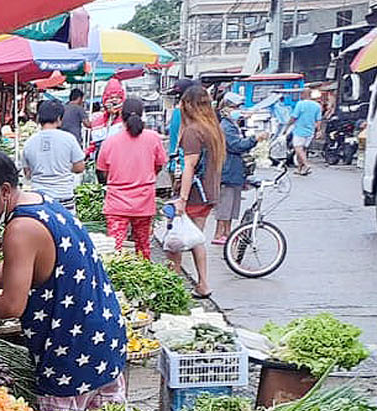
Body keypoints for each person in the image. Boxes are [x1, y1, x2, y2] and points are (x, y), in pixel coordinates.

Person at [0, 149, 127, 411]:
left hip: (72, 355)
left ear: (3, 191)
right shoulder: (39, 201)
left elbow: (12, 305)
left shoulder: (20, 228)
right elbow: (17, 269)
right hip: (102, 339)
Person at [168, 84, 224, 298]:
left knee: (175, 241)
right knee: (196, 238)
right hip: (209, 192)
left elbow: (189, 166)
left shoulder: (193, 131)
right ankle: (202, 284)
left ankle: (173, 287)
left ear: (187, 105)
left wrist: (181, 199)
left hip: (194, 194)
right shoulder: (212, 128)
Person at [96, 97, 166, 260]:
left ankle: (113, 282)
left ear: (121, 115)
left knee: (114, 249)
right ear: (142, 115)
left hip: (117, 203)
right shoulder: (153, 138)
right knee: (143, 247)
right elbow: (159, 164)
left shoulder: (110, 141)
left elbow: (101, 171)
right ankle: (145, 279)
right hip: (144, 201)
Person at [22, 100, 87, 210]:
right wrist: (65, 167)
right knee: (65, 226)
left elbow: (27, 174)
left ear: (38, 118)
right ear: (58, 118)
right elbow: (80, 167)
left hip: (39, 200)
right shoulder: (69, 139)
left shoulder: (29, 142)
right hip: (64, 198)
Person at [214, 91, 257, 247]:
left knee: (232, 205)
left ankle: (228, 233)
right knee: (226, 204)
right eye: (236, 107)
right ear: (227, 108)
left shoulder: (232, 125)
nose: (239, 109)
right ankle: (219, 233)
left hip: (233, 171)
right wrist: (254, 140)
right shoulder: (226, 126)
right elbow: (235, 145)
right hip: (228, 170)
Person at [287, 89, 323, 176]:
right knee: (303, 150)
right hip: (310, 130)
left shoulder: (300, 104)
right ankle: (300, 169)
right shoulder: (317, 105)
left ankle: (306, 165)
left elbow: (294, 116)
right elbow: (318, 120)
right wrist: (318, 130)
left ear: (303, 94)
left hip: (299, 130)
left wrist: (288, 124)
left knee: (297, 148)